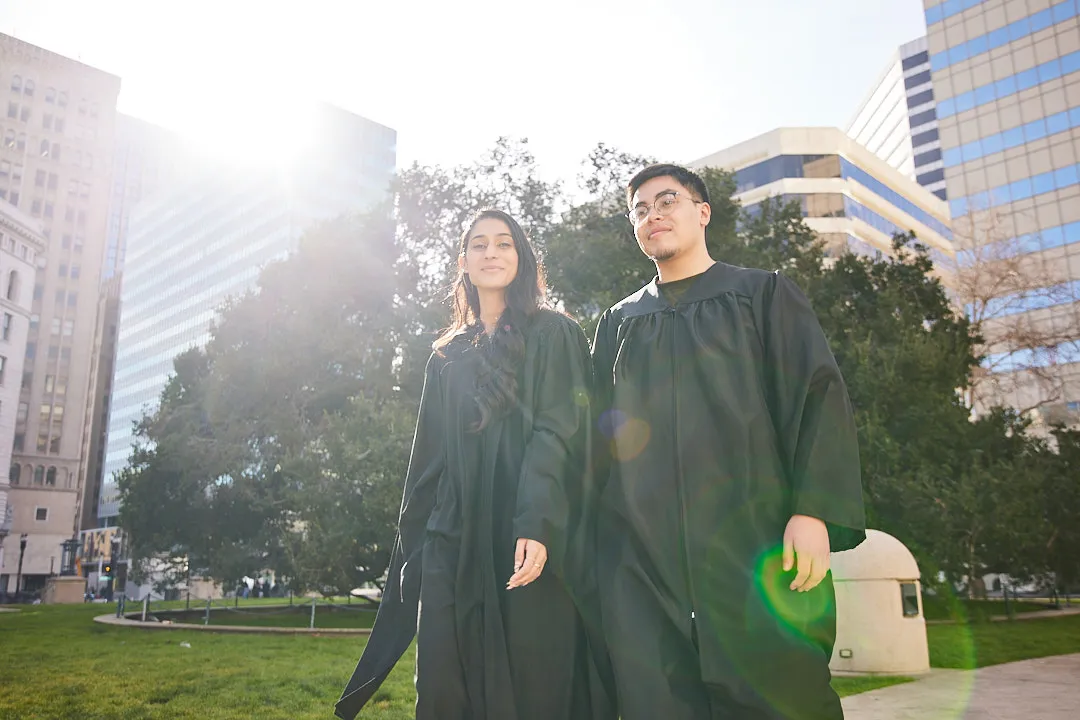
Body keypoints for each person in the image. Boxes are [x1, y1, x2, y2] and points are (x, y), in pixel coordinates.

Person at [591, 164, 866, 720]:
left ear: (702, 211)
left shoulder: (762, 295)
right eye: (639, 210)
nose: (653, 215)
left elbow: (816, 398)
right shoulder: (619, 324)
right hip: (641, 556)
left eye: (666, 201)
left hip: (755, 540)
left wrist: (812, 512)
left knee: (780, 692)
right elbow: (593, 439)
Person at [336, 209, 614, 720]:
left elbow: (559, 431)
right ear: (463, 261)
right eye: (479, 245)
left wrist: (536, 520)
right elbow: (428, 457)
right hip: (454, 538)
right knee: (445, 682)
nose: (491, 253)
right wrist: (414, 548)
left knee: (534, 680)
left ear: (522, 258)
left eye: (504, 243)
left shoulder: (555, 334)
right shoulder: (447, 353)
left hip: (526, 529)